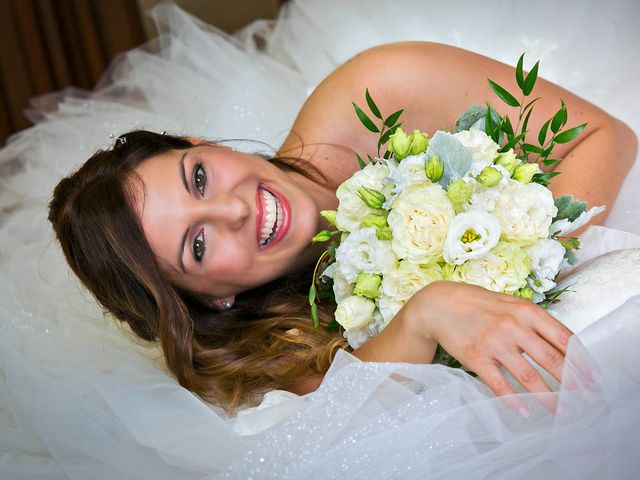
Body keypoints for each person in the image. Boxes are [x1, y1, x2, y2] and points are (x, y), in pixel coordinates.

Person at [48, 41, 637, 414]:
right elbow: (347, 415)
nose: (232, 210)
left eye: (198, 177)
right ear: (211, 297)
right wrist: (425, 313)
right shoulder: (261, 344)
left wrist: (520, 258)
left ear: (204, 143)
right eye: (197, 245)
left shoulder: (381, 87)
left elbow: (601, 136)